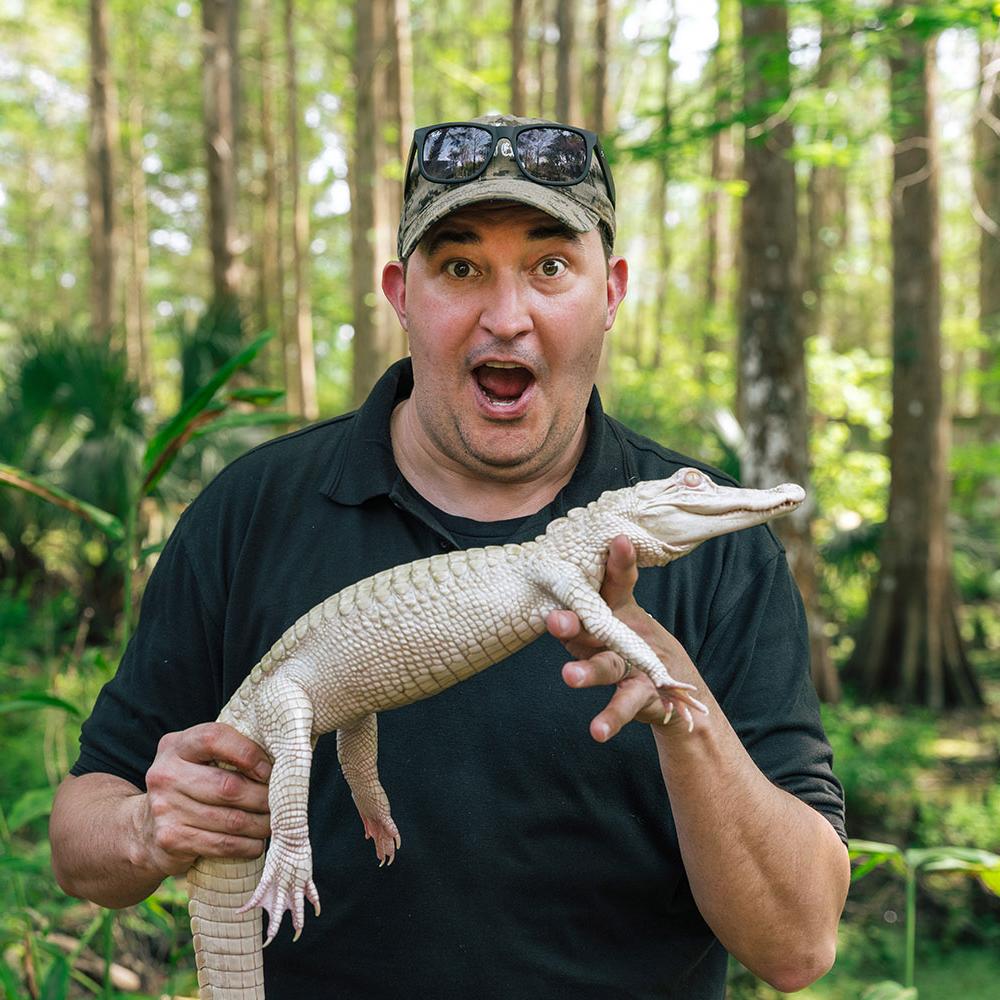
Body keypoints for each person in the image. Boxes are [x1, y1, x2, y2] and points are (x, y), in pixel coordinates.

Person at [50, 114, 849, 999]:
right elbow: (83, 839)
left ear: (611, 292)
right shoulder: (252, 510)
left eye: (550, 266)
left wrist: (675, 703)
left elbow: (798, 947)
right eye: (460, 267)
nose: (506, 318)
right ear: (401, 292)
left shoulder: (714, 553)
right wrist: (150, 828)